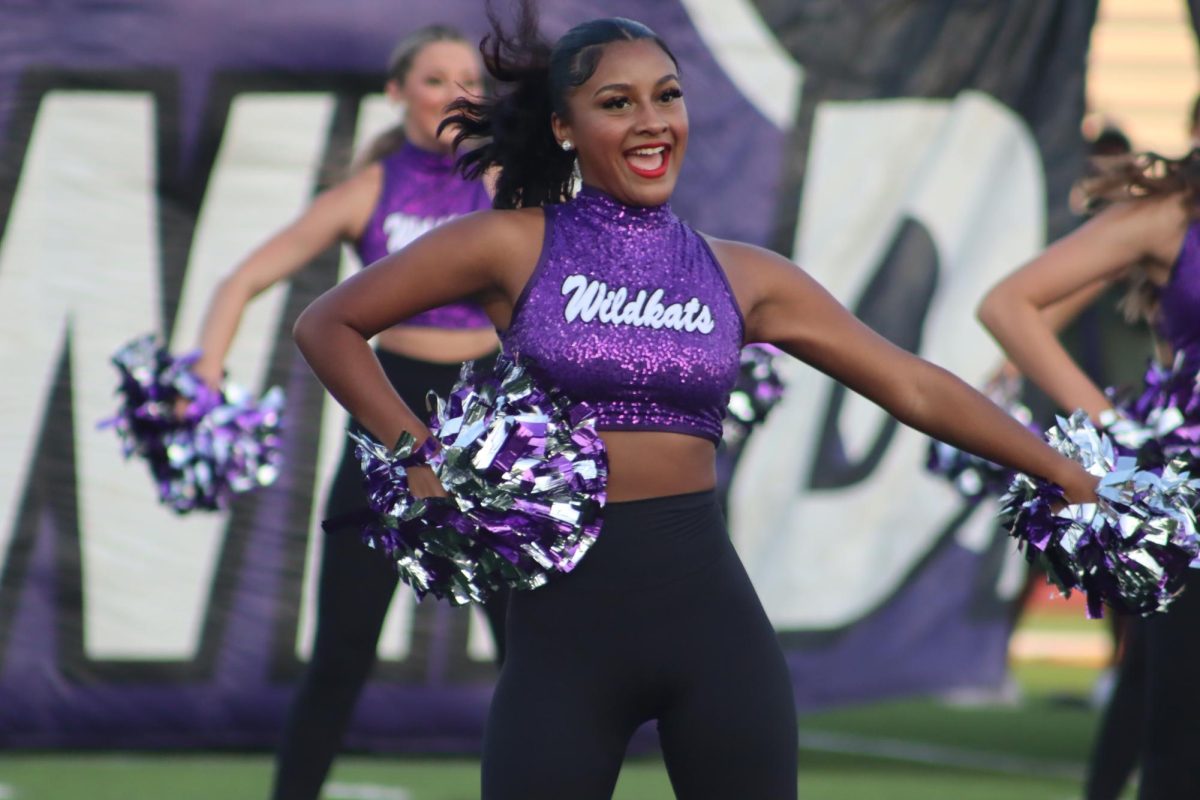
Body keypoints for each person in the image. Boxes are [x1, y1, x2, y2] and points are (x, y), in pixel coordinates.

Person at [293, 6, 1099, 798]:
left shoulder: (743, 275)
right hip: (565, 641)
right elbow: (329, 322)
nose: (652, 122)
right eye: (618, 103)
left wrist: (1059, 467)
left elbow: (912, 383)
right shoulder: (509, 243)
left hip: (711, 629)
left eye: (667, 95)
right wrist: (420, 454)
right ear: (563, 127)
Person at [187, 24, 507, 800]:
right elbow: (240, 280)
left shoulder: (508, 184)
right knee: (340, 656)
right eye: (435, 80)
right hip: (386, 423)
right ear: (397, 96)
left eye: (470, 80)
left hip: (490, 428)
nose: (457, 94)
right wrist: (202, 377)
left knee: (532, 651)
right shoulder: (370, 188)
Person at [978, 142, 1200, 799]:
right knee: (1178, 730)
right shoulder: (1171, 216)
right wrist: (1116, 431)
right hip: (1191, 495)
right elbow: (1008, 304)